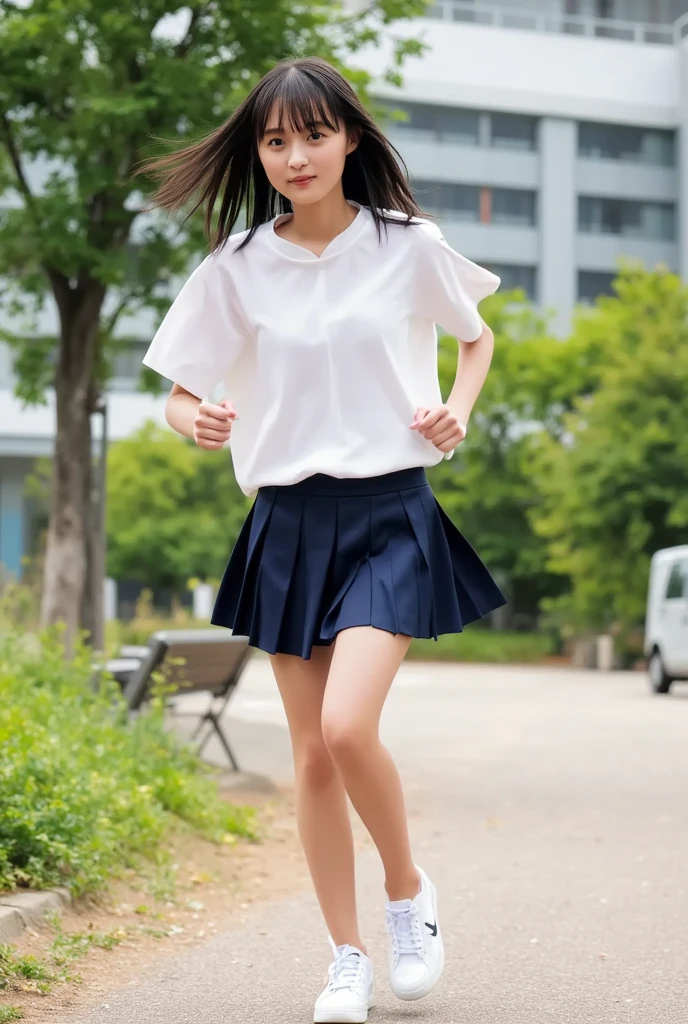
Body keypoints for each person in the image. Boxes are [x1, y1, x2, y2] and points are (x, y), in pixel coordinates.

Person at [138, 55, 506, 1024]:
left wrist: (455, 411)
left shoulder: (405, 243)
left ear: (349, 137)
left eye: (311, 134)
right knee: (309, 757)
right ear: (257, 153)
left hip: (389, 510)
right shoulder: (235, 267)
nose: (294, 155)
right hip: (287, 522)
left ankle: (405, 894)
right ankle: (346, 954)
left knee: (347, 729)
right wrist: (196, 422)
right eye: (273, 140)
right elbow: (178, 389)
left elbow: (474, 335)